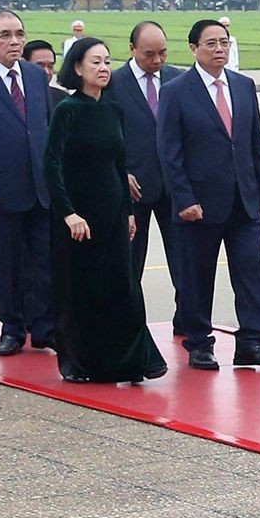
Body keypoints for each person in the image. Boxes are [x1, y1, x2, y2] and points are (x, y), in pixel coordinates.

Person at [156, 18, 260, 370]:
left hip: (244, 199)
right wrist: (183, 198)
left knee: (251, 271)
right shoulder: (176, 91)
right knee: (197, 276)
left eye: (224, 42)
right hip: (199, 204)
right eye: (210, 43)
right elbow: (169, 152)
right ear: (193, 48)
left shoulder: (243, 86)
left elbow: (255, 140)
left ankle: (252, 342)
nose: (219, 49)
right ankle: (199, 342)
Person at [47, 37, 166, 382]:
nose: (103, 68)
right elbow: (52, 164)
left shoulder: (113, 109)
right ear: (78, 67)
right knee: (83, 289)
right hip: (79, 216)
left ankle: (132, 360)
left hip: (113, 212)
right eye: (95, 62)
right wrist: (68, 213)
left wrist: (128, 212)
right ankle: (80, 363)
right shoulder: (67, 109)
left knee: (123, 287)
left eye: (106, 62)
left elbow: (119, 163)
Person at [0, 11, 55, 356]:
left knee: (44, 262)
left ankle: (44, 328)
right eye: (5, 35)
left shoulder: (35, 76)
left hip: (40, 187)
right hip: (1, 190)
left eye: (19, 34)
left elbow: (45, 128)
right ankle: (12, 328)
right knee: (6, 265)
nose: (14, 41)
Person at [106, 20, 186, 334]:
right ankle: (127, 327)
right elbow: (103, 136)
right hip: (132, 190)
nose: (157, 60)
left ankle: (188, 322)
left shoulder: (179, 80)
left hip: (175, 188)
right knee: (129, 263)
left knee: (185, 261)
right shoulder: (113, 83)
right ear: (132, 49)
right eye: (149, 54)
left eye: (162, 53)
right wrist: (120, 172)